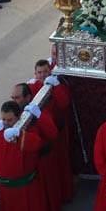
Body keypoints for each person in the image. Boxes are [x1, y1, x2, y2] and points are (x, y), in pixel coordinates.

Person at [12, 82, 63, 211]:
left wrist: (39, 116)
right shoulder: (15, 115)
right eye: (13, 97)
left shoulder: (40, 112)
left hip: (43, 162)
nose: (14, 101)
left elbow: (53, 133)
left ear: (28, 98)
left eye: (17, 98)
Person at [28, 60, 73, 203]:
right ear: (35, 74)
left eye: (45, 72)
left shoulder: (56, 85)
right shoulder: (31, 87)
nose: (42, 75)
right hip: (42, 138)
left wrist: (57, 88)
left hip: (58, 134)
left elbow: (64, 103)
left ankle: (65, 195)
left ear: (50, 72)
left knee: (62, 166)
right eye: (39, 72)